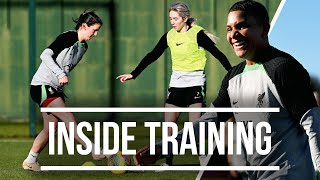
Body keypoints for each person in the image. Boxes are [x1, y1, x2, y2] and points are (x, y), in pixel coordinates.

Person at [133, 0, 320, 179]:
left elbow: (312, 124)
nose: (234, 35)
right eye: (229, 29)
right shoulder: (233, 77)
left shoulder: (283, 68)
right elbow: (209, 122)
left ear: (264, 29)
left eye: (242, 26)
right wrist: (163, 148)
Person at [117, 2, 231, 167]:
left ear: (184, 18)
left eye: (175, 18)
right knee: (168, 128)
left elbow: (218, 54)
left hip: (196, 83)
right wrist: (133, 74)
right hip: (176, 85)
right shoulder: (169, 36)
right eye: (170, 18)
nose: (172, 21)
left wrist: (232, 73)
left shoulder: (197, 34)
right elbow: (152, 55)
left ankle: (204, 162)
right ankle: (168, 163)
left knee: (194, 130)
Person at [22, 10, 109, 171]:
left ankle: (30, 160)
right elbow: (45, 55)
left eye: (98, 31)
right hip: (41, 86)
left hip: (53, 88)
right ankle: (94, 150)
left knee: (51, 128)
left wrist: (60, 79)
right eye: (94, 30)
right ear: (84, 26)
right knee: (69, 119)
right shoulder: (68, 37)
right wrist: (60, 74)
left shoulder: (84, 46)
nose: (96, 34)